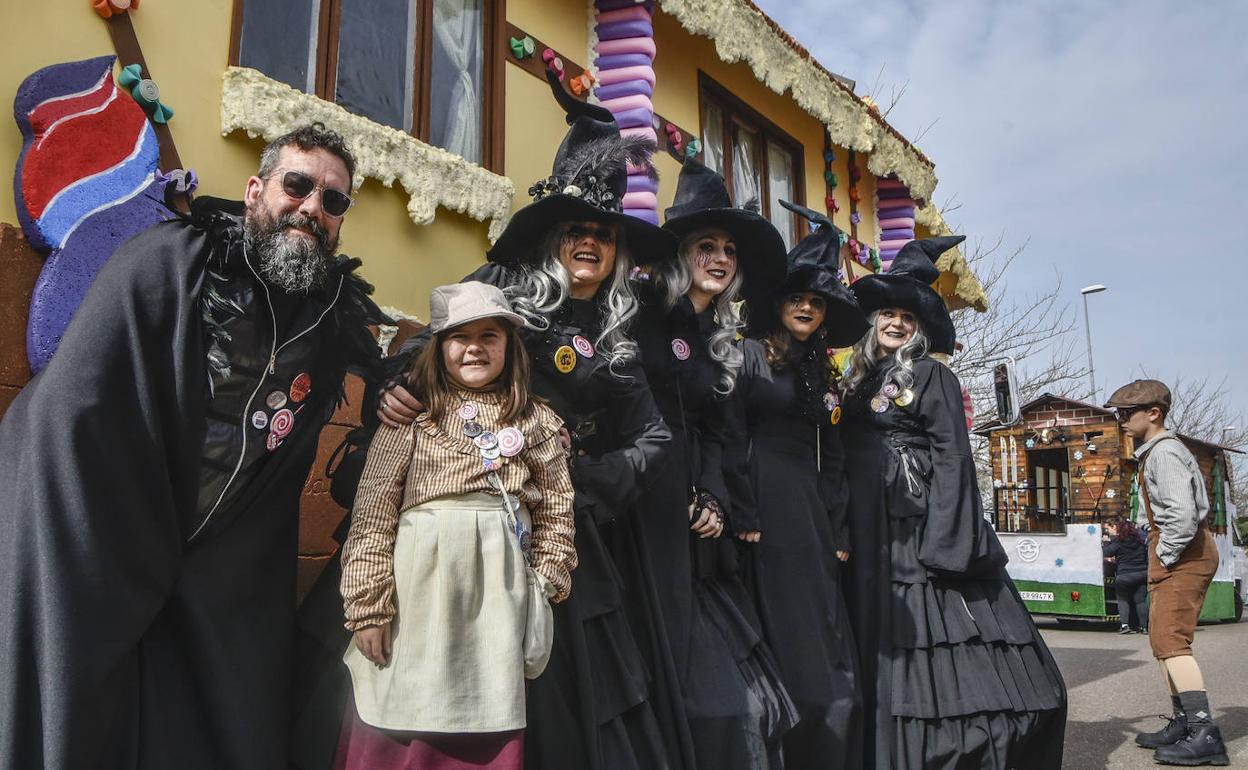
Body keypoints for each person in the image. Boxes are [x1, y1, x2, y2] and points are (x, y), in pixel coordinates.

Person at [0, 124, 386, 770]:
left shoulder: (329, 322)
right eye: (298, 185)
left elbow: (380, 376)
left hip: (214, 555)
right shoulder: (171, 261)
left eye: (333, 200)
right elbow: (78, 406)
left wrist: (402, 389)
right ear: (256, 189)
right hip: (99, 526)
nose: (312, 207)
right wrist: (125, 538)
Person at [337, 69, 679, 770]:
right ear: (552, 236)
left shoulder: (618, 331)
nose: (590, 243)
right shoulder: (501, 288)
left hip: (555, 520)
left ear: (617, 251)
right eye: (576, 230)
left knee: (543, 687)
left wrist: (594, 479)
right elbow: (431, 348)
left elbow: (654, 434)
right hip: (451, 507)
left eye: (604, 235)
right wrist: (398, 392)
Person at [840, 236, 1067, 770]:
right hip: (869, 529)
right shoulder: (858, 379)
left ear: (920, 329)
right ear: (872, 321)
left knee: (930, 647)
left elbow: (953, 456)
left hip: (917, 530)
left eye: (907, 317)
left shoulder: (932, 375)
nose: (896, 323)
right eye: (887, 313)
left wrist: (946, 540)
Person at [333, 281, 577, 769]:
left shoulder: (537, 422)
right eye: (459, 336)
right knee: (399, 706)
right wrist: (368, 607)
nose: (474, 347)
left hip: (496, 601)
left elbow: (557, 509)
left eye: (490, 336)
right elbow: (373, 515)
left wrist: (544, 582)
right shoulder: (410, 421)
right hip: (416, 593)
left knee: (484, 708)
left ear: (510, 347)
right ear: (439, 346)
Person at [631, 159, 797, 768]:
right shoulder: (642, 305)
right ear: (680, 250)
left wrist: (714, 499)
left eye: (729, 249)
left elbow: (720, 431)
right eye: (706, 245)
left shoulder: (721, 337)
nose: (721, 257)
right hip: (636, 493)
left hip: (692, 509)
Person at [729, 201, 869, 769]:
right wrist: (743, 510)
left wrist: (837, 524)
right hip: (759, 497)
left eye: (815, 302)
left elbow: (833, 457)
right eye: (797, 299)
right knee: (775, 614)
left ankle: (826, 735)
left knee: (817, 617)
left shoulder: (823, 371)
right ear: (778, 305)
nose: (807, 307)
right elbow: (729, 434)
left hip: (808, 507)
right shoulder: (747, 354)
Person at [1107, 379, 1229, 766]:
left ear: (1154, 413)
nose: (1121, 420)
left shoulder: (1165, 453)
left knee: (1173, 643)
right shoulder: (1154, 453)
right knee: (1163, 642)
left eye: (1127, 413)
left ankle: (1205, 733)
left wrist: (1165, 553)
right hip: (1175, 551)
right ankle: (1184, 722)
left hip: (1183, 553)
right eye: (1119, 414)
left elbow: (1182, 517)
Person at [1102, 517, 1149, 633]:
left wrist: (1107, 541)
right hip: (1142, 574)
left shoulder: (1119, 542)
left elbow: (1106, 552)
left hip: (1124, 576)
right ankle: (1144, 627)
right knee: (1141, 601)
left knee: (1123, 600)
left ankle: (1125, 625)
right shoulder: (1141, 542)